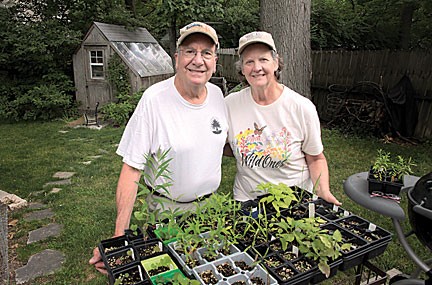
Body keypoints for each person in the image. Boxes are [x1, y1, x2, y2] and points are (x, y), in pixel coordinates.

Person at [89, 22, 228, 274]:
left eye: (206, 53)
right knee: (170, 276)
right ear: (176, 58)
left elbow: (218, 143)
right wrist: (119, 237)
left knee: (207, 274)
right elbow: (132, 169)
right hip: (166, 214)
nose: (198, 60)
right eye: (190, 51)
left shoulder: (218, 96)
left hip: (210, 211)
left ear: (215, 60)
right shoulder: (154, 99)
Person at [224, 31, 341, 205]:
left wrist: (322, 191)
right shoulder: (230, 104)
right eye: (249, 61)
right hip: (247, 200)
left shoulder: (301, 107)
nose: (257, 67)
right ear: (242, 68)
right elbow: (219, 145)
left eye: (263, 59)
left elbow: (315, 157)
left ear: (276, 63)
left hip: (293, 200)